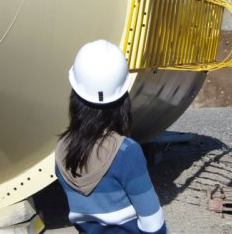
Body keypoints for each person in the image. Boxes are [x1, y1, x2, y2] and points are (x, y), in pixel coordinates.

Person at [55, 39, 167, 233]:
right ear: (123, 98)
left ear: (76, 95)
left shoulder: (62, 149)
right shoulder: (126, 152)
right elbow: (152, 224)